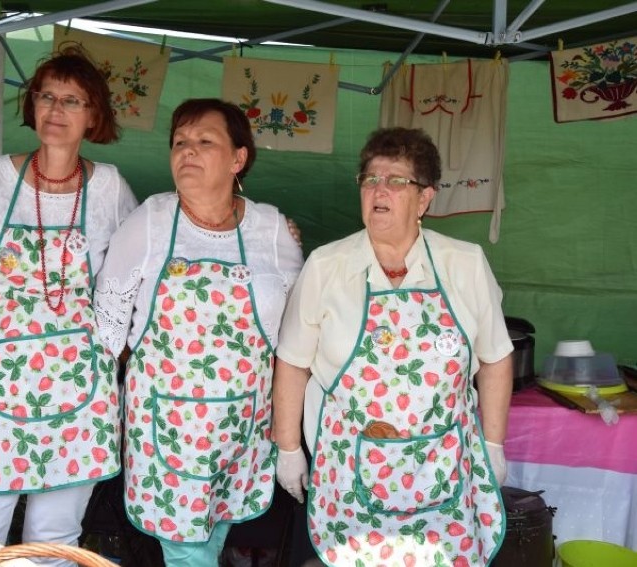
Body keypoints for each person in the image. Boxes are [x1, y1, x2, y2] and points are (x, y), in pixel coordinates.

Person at [0, 46, 137, 564]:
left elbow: (146, 272)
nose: (55, 110)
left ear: (94, 116)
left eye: (72, 100)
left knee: (55, 544)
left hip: (80, 398)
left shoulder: (109, 187)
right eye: (46, 96)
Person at [273, 127, 512, 566]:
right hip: (349, 468)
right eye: (369, 179)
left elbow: (495, 358)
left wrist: (493, 445)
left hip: (443, 466)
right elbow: (292, 362)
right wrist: (288, 450)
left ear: (425, 199)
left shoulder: (465, 263)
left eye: (395, 180)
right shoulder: (327, 265)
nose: (378, 189)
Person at [94, 98, 303, 566]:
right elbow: (107, 324)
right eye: (179, 143)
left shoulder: (271, 227)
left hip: (243, 427)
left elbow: (298, 325)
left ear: (238, 158)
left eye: (204, 141)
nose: (187, 151)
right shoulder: (151, 219)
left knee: (210, 541)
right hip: (167, 427)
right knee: (187, 552)